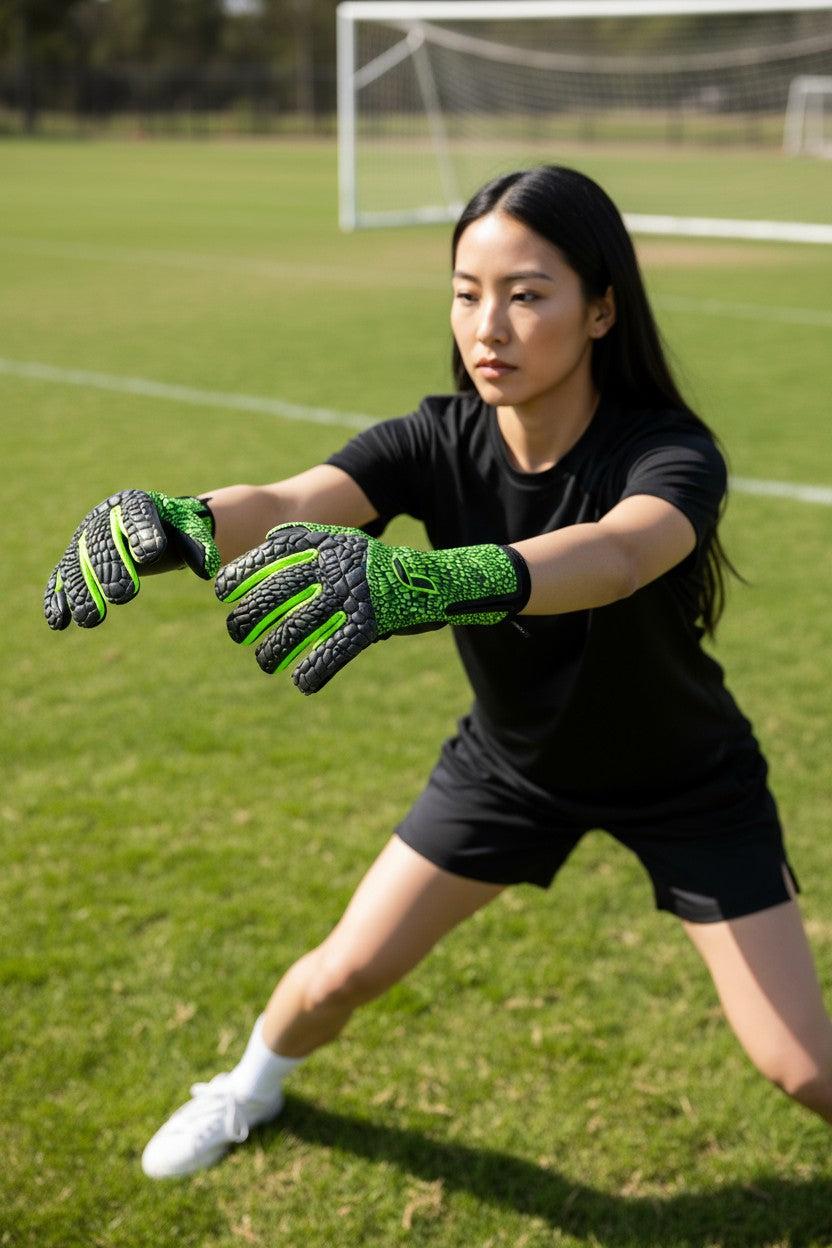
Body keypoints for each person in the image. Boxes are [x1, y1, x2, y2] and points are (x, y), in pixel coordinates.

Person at [44, 166, 832, 1181]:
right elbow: (291, 497)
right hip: (510, 772)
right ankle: (246, 1090)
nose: (488, 326)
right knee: (337, 978)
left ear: (600, 309)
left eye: (526, 293)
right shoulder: (434, 438)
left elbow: (621, 555)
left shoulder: (669, 453)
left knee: (802, 1069)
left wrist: (433, 580)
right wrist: (181, 520)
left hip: (688, 781)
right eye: (466, 292)